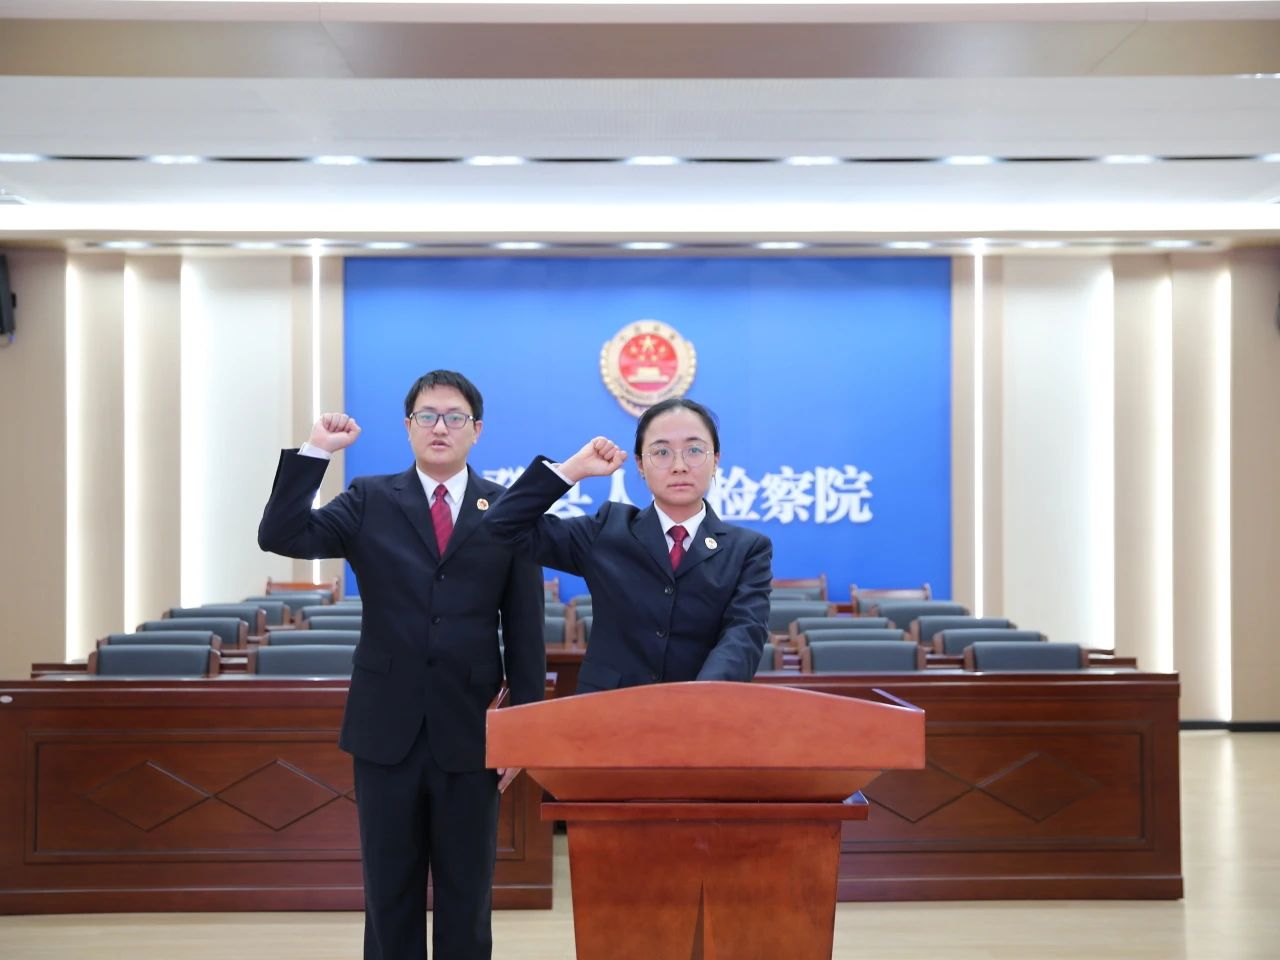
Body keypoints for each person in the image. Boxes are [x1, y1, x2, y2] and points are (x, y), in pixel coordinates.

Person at [257, 369, 544, 960]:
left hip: (470, 733)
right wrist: (317, 451)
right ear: (408, 427)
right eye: (427, 416)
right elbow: (281, 534)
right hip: (385, 728)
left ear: (477, 430)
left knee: (468, 896)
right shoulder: (369, 499)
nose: (441, 427)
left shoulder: (508, 508)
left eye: (455, 417)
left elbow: (524, 626)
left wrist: (525, 727)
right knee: (389, 895)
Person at [484, 397, 771, 693]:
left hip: (701, 711)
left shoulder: (747, 550)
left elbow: (744, 634)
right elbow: (501, 526)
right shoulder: (607, 529)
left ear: (716, 460)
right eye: (661, 452)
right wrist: (571, 471)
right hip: (608, 710)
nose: (679, 466)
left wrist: (699, 698)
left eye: (694, 450)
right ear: (640, 465)